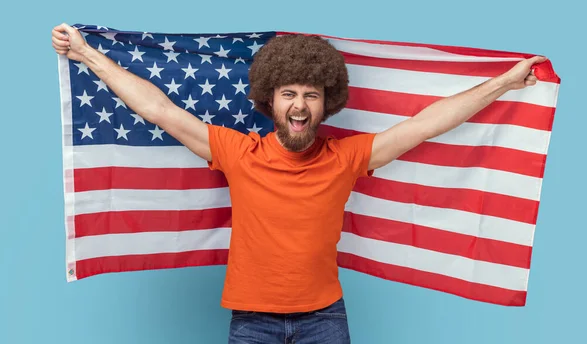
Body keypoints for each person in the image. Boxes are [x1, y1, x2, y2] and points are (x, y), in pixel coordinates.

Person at [51, 23, 544, 344]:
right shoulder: (237, 152)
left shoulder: (347, 157)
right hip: (251, 322)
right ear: (271, 99)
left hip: (325, 320)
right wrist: (86, 54)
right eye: (289, 92)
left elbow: (425, 125)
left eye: (311, 94)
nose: (300, 105)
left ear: (327, 102)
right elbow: (158, 109)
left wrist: (503, 83)